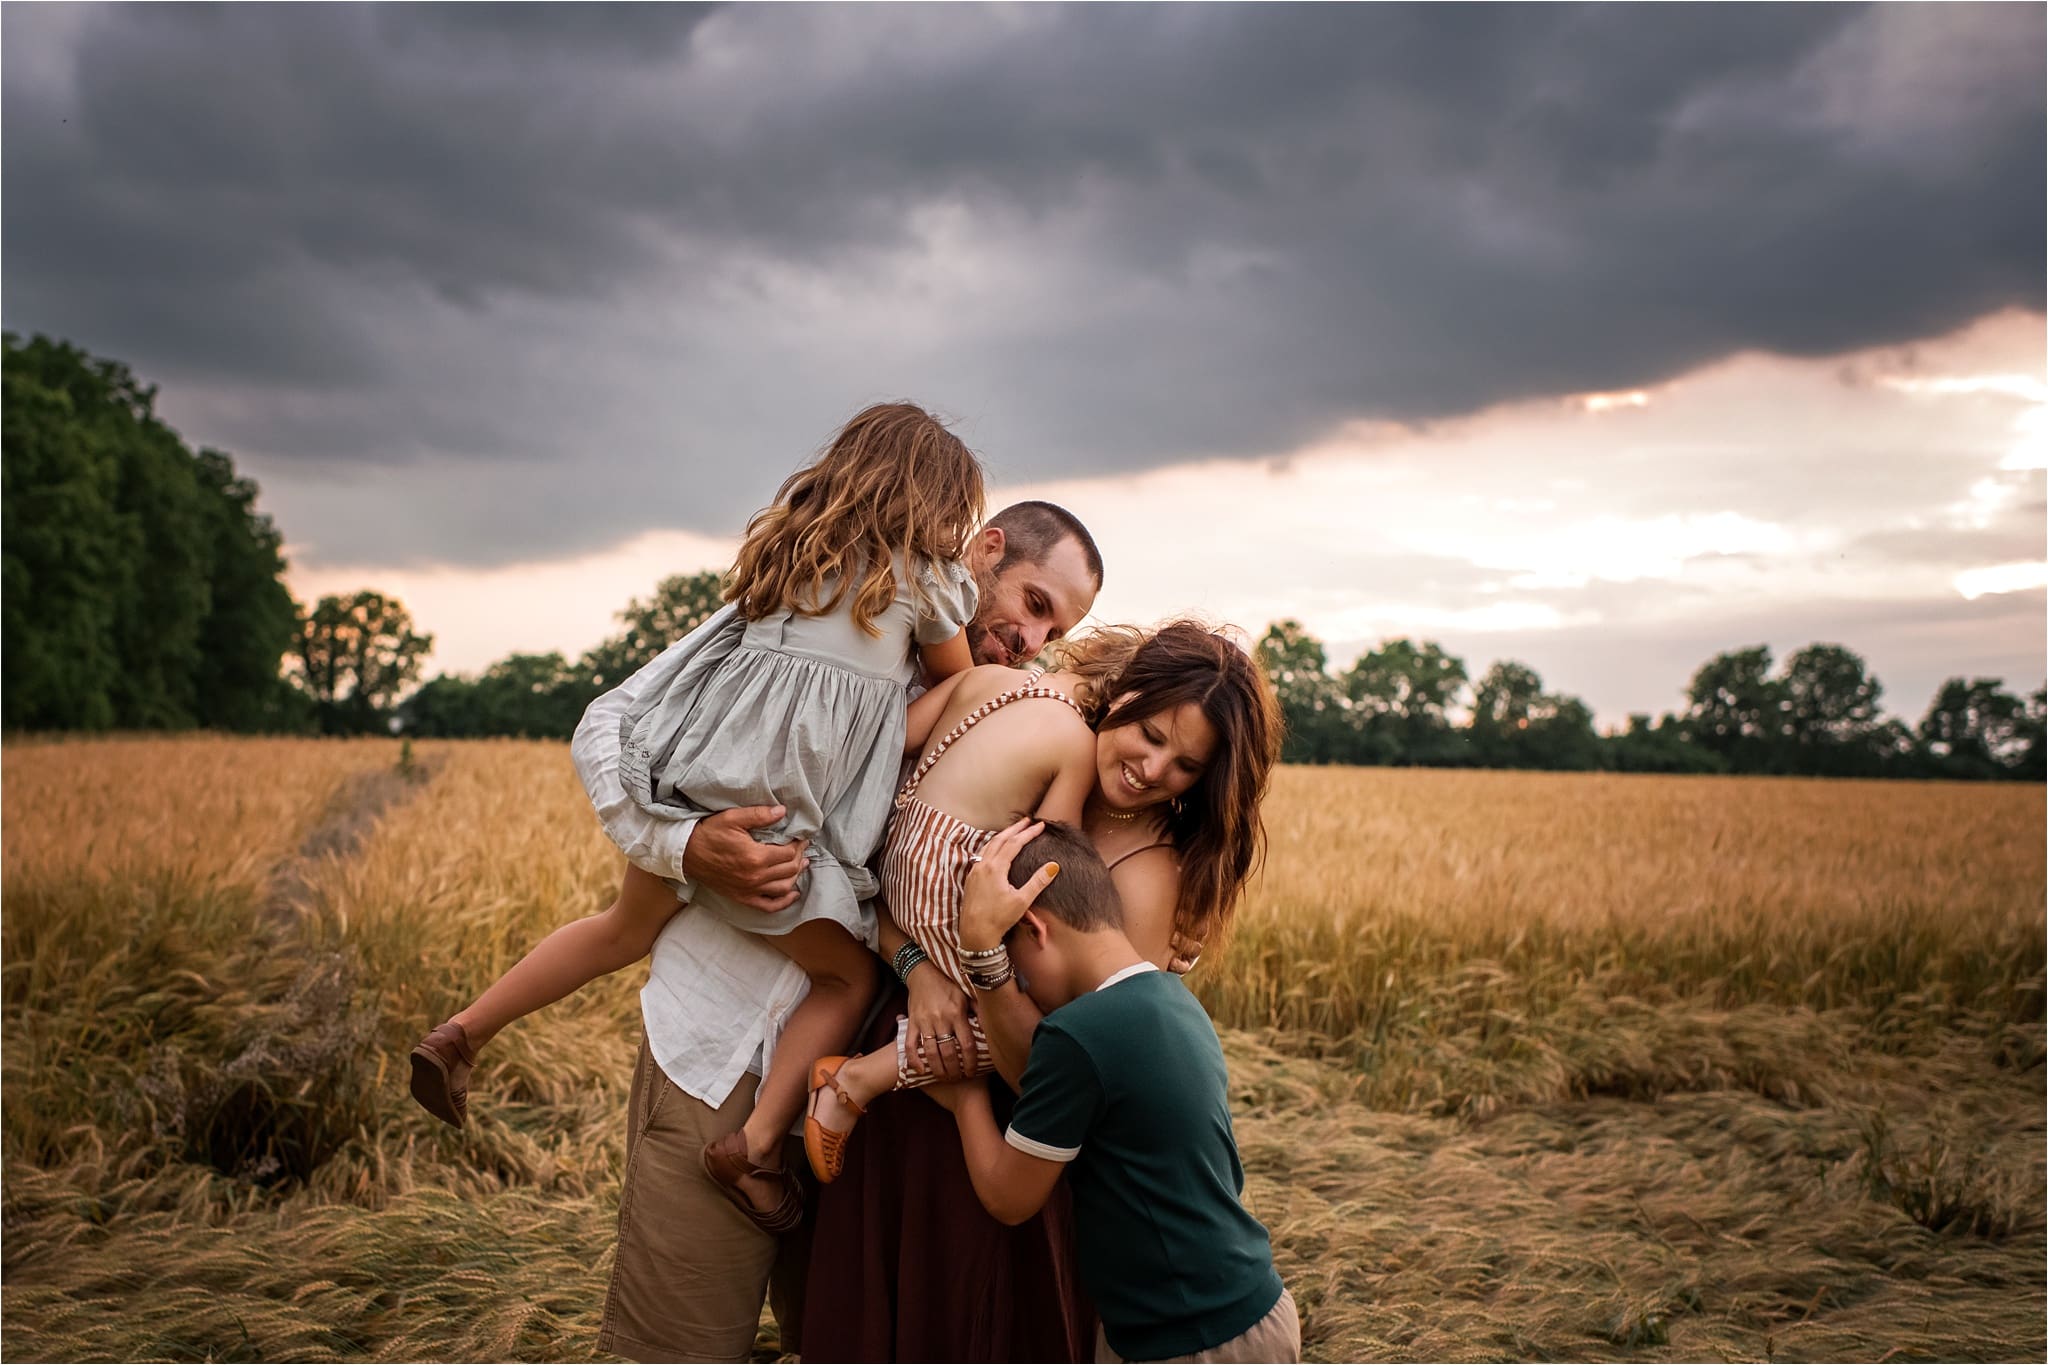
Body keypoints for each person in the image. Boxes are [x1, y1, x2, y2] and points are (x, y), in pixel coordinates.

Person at [410, 401, 987, 1233]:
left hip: (692, 794)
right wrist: (891, 736)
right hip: (774, 829)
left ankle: (462, 1033)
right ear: (935, 502)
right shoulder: (927, 581)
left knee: (616, 928)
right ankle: (750, 1149)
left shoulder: (788, 550)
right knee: (848, 977)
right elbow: (958, 682)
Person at [577, 499, 1104, 1363]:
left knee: (827, 1342)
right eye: (1035, 604)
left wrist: (918, 962)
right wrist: (685, 843)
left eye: (1058, 628)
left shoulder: (992, 711)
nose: (1033, 638)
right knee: (678, 1347)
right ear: (988, 550)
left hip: (858, 1106)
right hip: (719, 1055)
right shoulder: (821, 610)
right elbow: (616, 722)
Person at [801, 619, 1285, 1363]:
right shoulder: (1044, 764)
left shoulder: (1150, 876)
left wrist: (976, 980)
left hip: (1008, 1128)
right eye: (1149, 732)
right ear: (1122, 695)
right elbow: (894, 900)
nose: (1153, 767)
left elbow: (1056, 1063)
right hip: (915, 1074)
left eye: (1185, 764)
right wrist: (919, 971)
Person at [929, 819, 1300, 1365]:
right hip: (1249, 1307)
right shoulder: (1174, 999)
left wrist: (964, 1098)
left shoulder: (1078, 1035)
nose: (1022, 987)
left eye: (1015, 965)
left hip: (1190, 1339)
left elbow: (1010, 1198)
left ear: (1036, 930)